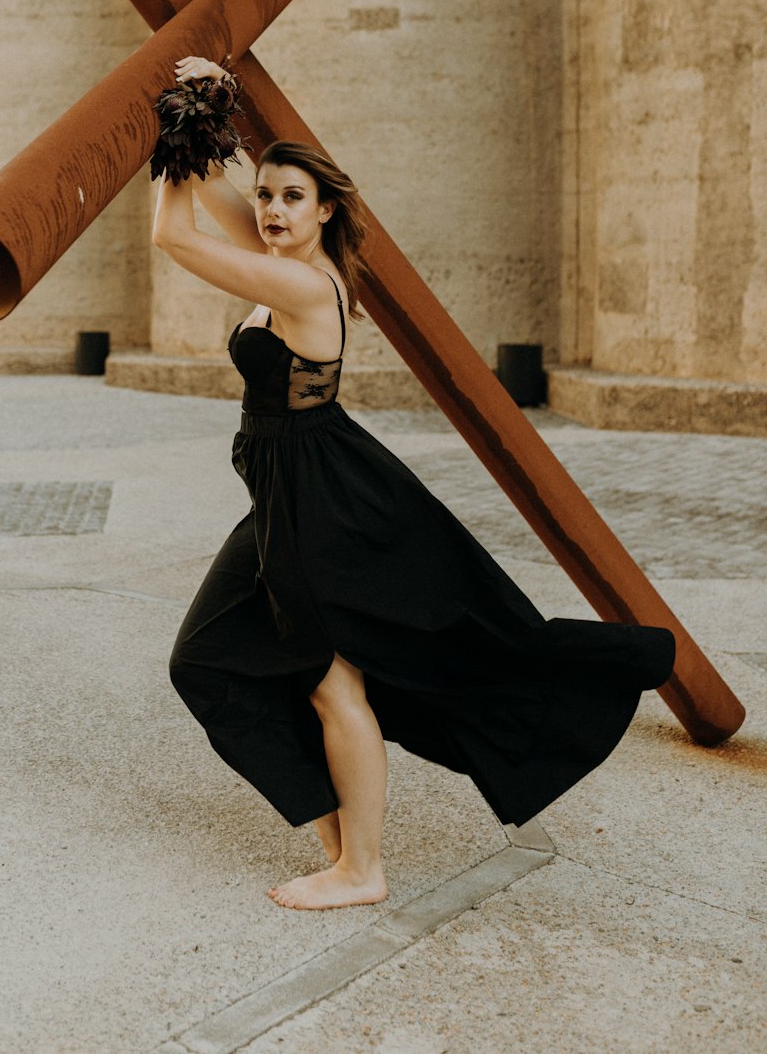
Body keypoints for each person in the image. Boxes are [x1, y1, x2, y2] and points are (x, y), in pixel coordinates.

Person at [152, 55, 676, 912]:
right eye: (269, 195)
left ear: (325, 211)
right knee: (206, 659)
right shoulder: (277, 252)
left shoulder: (300, 283)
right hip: (287, 494)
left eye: (293, 198)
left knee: (332, 679)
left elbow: (172, 235)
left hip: (321, 502)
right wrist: (208, 101)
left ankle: (362, 868)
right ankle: (340, 848)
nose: (272, 208)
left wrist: (171, 135)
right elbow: (217, 179)